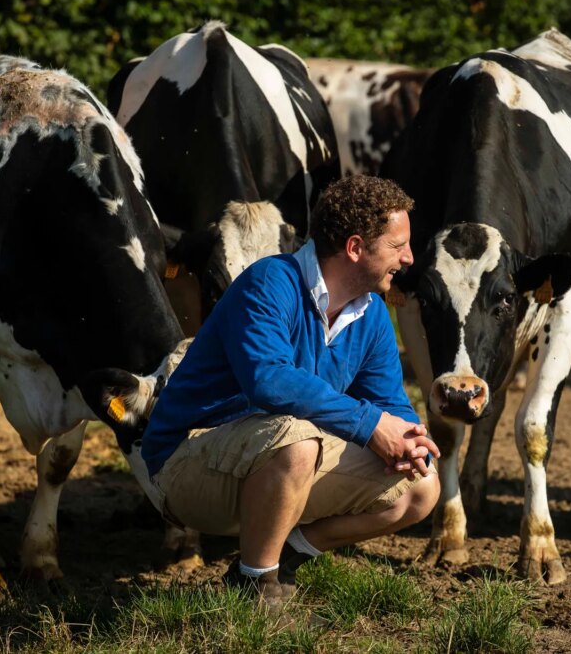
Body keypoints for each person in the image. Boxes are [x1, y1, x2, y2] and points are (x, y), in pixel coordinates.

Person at [142, 175, 442, 608]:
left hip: (273, 460)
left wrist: (413, 441)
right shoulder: (270, 282)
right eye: (398, 247)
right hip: (186, 463)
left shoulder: (372, 313)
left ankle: (282, 558)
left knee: (419, 487)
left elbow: (388, 402)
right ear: (356, 248)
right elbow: (267, 379)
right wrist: (368, 424)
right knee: (297, 440)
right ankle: (257, 589)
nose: (409, 258)